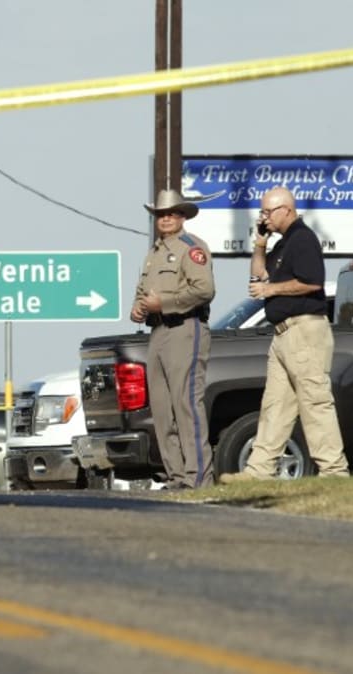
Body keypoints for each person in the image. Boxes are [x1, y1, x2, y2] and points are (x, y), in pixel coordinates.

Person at [221, 187, 349, 483]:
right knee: (275, 405)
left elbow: (312, 282)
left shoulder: (302, 239)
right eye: (262, 212)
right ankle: (259, 471)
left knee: (315, 402)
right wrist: (260, 243)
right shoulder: (281, 245)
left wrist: (270, 289)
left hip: (303, 330)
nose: (263, 217)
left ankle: (334, 470)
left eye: (268, 212)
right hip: (282, 335)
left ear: (287, 210)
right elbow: (258, 274)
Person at [130, 189, 216, 489]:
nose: (165, 219)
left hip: (185, 328)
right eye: (160, 214)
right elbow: (143, 292)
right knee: (162, 409)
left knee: (187, 404)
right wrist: (138, 307)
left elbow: (204, 290)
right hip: (158, 331)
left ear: (182, 216)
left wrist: (163, 303)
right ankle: (177, 476)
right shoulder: (153, 253)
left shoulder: (192, 248)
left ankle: (198, 477)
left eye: (171, 213)